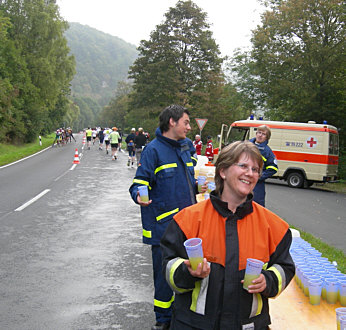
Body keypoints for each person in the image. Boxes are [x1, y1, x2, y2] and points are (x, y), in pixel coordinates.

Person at [161, 140, 295, 330]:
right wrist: (187, 272)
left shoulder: (274, 226)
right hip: (194, 325)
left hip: (248, 325)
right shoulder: (188, 220)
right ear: (222, 171)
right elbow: (168, 266)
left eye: (256, 169)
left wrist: (269, 280)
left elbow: (285, 267)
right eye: (243, 166)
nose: (250, 173)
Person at [129, 105, 199, 330]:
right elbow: (140, 182)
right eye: (186, 122)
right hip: (164, 230)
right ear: (172, 122)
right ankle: (163, 321)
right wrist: (138, 196)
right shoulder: (153, 150)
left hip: (190, 227)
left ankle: (184, 317)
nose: (189, 127)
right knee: (164, 279)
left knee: (191, 273)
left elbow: (186, 183)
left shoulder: (185, 148)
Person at [249, 125, 278, 207]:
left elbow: (273, 168)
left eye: (263, 134)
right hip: (242, 179)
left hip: (257, 185)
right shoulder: (246, 144)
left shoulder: (267, 151)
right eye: (259, 132)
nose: (260, 135)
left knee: (256, 206)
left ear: (267, 138)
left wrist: (259, 176)